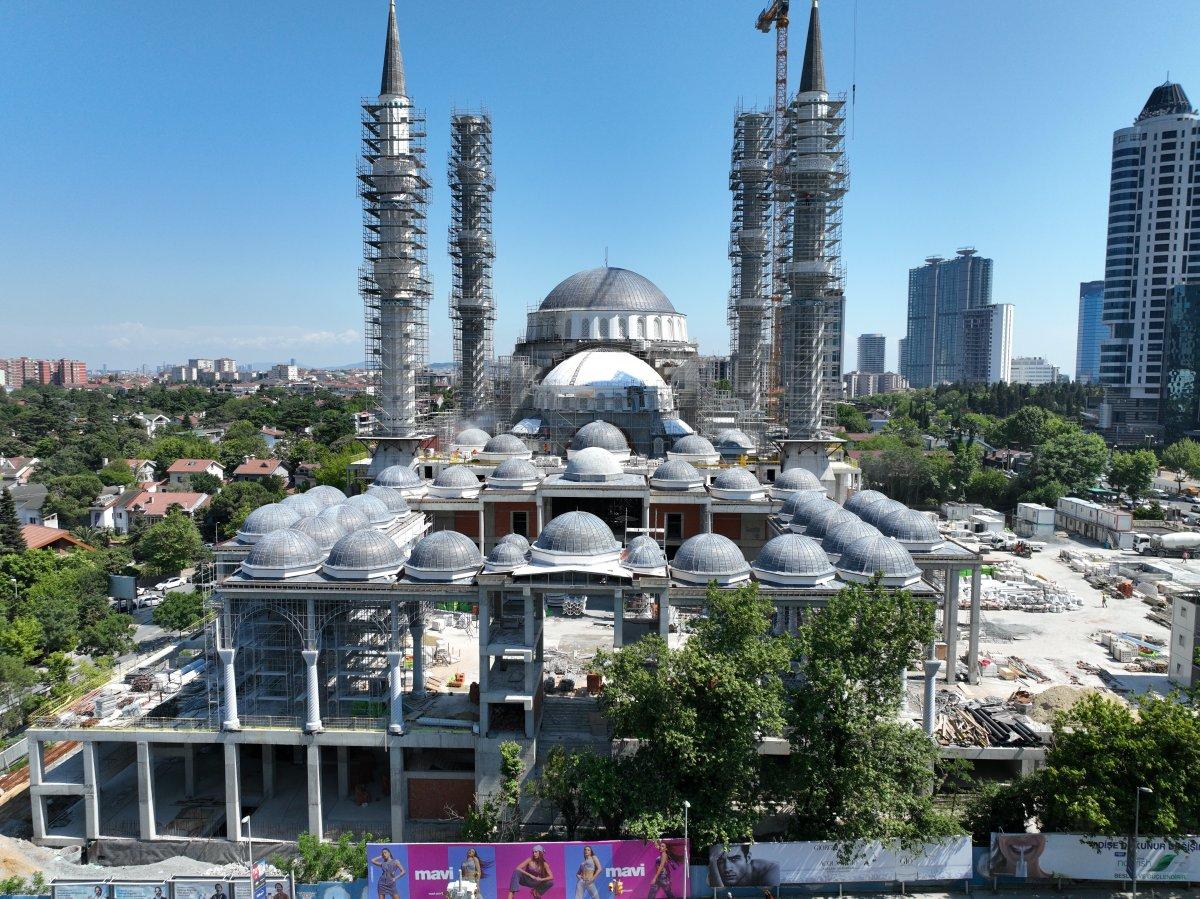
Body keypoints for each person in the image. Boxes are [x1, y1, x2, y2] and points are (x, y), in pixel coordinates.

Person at [707, 845, 780, 890]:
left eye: (734, 859)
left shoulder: (769, 869)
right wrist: (713, 860)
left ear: (748, 858)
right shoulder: (715, 868)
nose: (727, 868)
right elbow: (718, 892)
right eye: (720, 861)